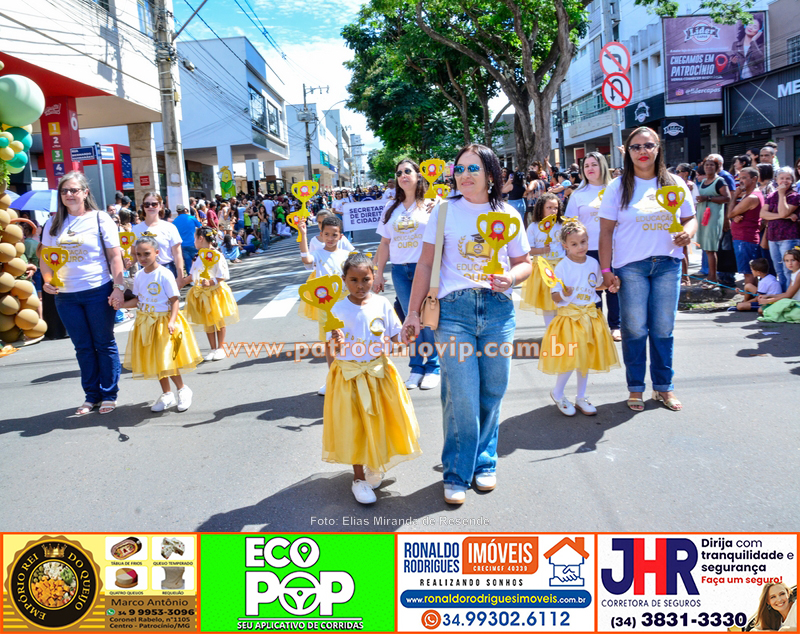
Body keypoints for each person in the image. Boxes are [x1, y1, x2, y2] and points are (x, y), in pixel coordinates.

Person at [401, 143, 532, 505]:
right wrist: (412, 313)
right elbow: (425, 266)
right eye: (459, 170)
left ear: (491, 174)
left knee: (493, 389)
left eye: (473, 169)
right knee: (460, 394)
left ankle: (484, 462)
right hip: (453, 311)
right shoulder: (443, 212)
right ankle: (457, 470)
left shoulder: (509, 213)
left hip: (498, 310)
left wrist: (512, 277)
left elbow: (524, 262)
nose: (464, 176)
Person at [598, 126, 697, 413]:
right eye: (636, 147)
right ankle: (635, 388)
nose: (643, 151)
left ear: (658, 149)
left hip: (668, 264)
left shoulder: (675, 182)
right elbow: (605, 233)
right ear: (627, 152)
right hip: (631, 268)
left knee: (664, 328)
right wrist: (607, 271)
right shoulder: (618, 187)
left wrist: (688, 234)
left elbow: (689, 220)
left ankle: (664, 388)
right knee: (634, 329)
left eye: (648, 145)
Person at [324, 252, 422, 504]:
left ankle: (374, 465)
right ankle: (358, 478)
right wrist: (334, 367)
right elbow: (329, 348)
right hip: (349, 377)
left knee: (381, 421)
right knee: (354, 426)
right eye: (353, 280)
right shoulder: (335, 308)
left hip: (379, 373)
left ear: (374, 277)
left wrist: (407, 334)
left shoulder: (382, 304)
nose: (360, 286)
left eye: (365, 279)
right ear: (344, 279)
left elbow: (396, 337)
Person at [40, 171, 125, 416]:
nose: (69, 194)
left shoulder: (100, 219)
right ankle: (91, 396)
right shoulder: (53, 223)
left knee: (103, 343)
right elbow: (45, 257)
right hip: (66, 296)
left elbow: (114, 256)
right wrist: (47, 280)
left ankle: (109, 394)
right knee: (83, 347)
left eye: (74, 190)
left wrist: (118, 288)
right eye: (64, 191)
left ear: (85, 193)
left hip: (97, 290)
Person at [539, 220, 619, 416]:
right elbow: (555, 296)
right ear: (565, 245)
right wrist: (565, 293)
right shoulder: (562, 267)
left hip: (591, 317)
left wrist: (610, 286)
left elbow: (596, 285)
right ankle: (558, 392)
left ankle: (581, 396)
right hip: (570, 319)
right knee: (571, 358)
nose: (580, 247)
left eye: (583, 242)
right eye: (574, 244)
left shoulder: (593, 263)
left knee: (585, 359)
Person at [373, 159, 440, 390]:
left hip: (426, 268)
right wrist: (378, 273)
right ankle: (416, 368)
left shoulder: (433, 204)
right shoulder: (390, 208)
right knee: (409, 320)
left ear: (418, 176)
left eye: (408, 171)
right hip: (400, 271)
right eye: (399, 172)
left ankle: (433, 366)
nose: (403, 175)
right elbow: (384, 244)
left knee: (427, 320)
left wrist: (439, 206)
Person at [121, 236, 202, 412]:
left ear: (157, 253)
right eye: (139, 254)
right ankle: (167, 394)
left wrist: (172, 321)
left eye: (147, 254)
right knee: (156, 360)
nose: (142, 258)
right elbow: (138, 300)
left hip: (164, 322)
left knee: (167, 360)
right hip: (145, 323)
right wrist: (120, 305)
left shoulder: (165, 274)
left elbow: (174, 300)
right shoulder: (139, 276)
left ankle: (182, 389)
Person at [566, 152, 619, 339]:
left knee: (613, 287)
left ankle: (616, 325)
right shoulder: (578, 195)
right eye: (586, 165)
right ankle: (595, 326)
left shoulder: (615, 190)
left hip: (615, 248)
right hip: (587, 251)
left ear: (603, 166)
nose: (590, 168)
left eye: (594, 164)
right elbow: (570, 225)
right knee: (591, 288)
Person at [298, 215, 350, 395]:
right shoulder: (318, 254)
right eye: (326, 234)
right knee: (330, 342)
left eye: (334, 235)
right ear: (321, 235)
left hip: (346, 303)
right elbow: (306, 259)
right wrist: (302, 234)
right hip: (326, 304)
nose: (330, 238)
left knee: (347, 340)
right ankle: (333, 378)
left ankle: (349, 376)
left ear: (341, 236)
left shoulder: (346, 255)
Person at [182, 226, 240, 361]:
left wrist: (211, 282)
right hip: (201, 293)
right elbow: (192, 274)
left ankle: (220, 347)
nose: (194, 241)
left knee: (218, 320)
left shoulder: (216, 255)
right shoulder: (198, 256)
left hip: (215, 293)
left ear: (201, 238)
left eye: (195, 238)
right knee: (207, 321)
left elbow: (222, 275)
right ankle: (213, 348)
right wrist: (180, 282)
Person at [520, 192, 565, 327]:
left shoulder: (561, 225)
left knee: (562, 300)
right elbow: (528, 249)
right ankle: (550, 329)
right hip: (543, 268)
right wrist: (541, 250)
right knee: (547, 301)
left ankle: (562, 329)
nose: (553, 211)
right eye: (549, 207)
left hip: (560, 266)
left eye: (555, 208)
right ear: (541, 208)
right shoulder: (534, 227)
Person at [760, 167, 800, 291]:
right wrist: (786, 216)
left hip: (789, 237)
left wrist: (782, 194)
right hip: (773, 237)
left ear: (792, 180)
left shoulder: (795, 196)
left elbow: (783, 212)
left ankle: (790, 298)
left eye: (788, 178)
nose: (784, 181)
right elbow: (763, 214)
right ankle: (783, 296)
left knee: (788, 270)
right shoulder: (771, 196)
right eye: (781, 178)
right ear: (776, 179)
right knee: (779, 270)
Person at [695, 155, 731, 285]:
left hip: (714, 218)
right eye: (707, 165)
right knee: (706, 248)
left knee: (711, 249)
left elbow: (727, 198)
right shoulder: (703, 182)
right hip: (703, 217)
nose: (709, 167)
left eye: (711, 165)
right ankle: (710, 275)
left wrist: (708, 198)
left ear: (716, 167)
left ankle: (713, 277)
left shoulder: (720, 180)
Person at [131, 192, 184, 278]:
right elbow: (133, 253)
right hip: (144, 271)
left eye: (154, 204)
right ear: (143, 207)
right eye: (147, 204)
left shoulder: (170, 227)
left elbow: (177, 254)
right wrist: (128, 261)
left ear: (160, 206)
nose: (150, 207)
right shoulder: (136, 229)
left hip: (167, 269)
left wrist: (180, 276)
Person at [728, 166, 764, 289]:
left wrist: (735, 196)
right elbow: (734, 215)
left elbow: (730, 213)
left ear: (754, 179)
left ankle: (749, 301)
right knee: (748, 272)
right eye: (739, 178)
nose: (740, 181)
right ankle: (750, 299)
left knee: (749, 273)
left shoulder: (752, 197)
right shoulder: (748, 195)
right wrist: (734, 217)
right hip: (743, 238)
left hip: (745, 239)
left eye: (744, 178)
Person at [758, 248, 800, 322]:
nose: (790, 263)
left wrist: (768, 301)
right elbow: (787, 293)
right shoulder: (793, 273)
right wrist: (768, 296)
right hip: (793, 302)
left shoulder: (799, 274)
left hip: (797, 303)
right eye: (787, 261)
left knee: (763, 310)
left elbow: (789, 295)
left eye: (793, 260)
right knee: (763, 310)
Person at [730, 15, 765, 81]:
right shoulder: (736, 45)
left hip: (757, 82)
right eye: (750, 24)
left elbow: (760, 60)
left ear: (759, 31)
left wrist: (753, 41)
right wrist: (733, 63)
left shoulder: (761, 46)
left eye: (755, 27)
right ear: (745, 25)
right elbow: (731, 71)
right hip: (739, 82)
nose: (751, 28)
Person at [172, 203, 202, 270]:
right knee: (198, 262)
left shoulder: (175, 221)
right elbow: (200, 226)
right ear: (185, 210)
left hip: (182, 245)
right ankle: (199, 277)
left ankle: (190, 279)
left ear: (177, 211)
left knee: (188, 264)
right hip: (193, 243)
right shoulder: (191, 218)